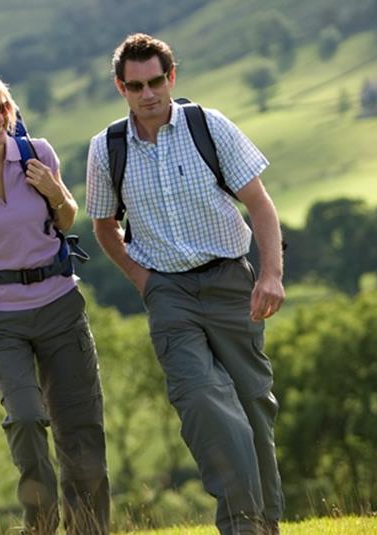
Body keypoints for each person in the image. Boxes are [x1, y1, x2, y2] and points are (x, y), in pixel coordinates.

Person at [85, 34, 285, 535]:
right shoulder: (106, 148)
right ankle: (241, 524)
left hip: (230, 283)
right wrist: (143, 280)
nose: (148, 94)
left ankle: (267, 523)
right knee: (202, 402)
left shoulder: (209, 127)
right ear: (120, 88)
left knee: (252, 405)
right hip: (168, 293)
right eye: (136, 86)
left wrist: (270, 274)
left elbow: (259, 203)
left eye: (155, 81)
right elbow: (104, 226)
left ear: (171, 77)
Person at [0, 67, 110, 535]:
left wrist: (55, 190)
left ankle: (89, 529)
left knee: (81, 432)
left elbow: (68, 218)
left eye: (4, 108)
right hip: (2, 317)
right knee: (27, 419)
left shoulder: (37, 153)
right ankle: (41, 524)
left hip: (60, 304)